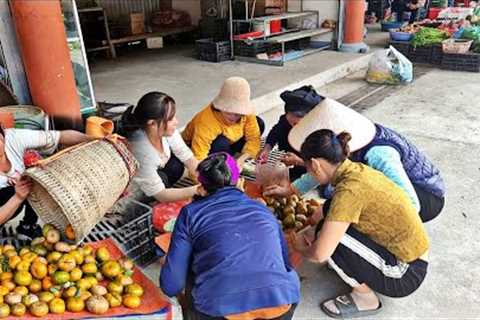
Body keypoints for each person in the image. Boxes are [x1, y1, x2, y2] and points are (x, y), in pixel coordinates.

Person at [294, 129, 429, 318]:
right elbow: (326, 211)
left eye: (308, 169)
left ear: (315, 165)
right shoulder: (356, 171)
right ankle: (354, 266)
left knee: (326, 239)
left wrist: (300, 248)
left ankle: (365, 298)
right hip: (411, 253)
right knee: (329, 219)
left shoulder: (349, 192)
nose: (311, 174)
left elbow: (319, 254)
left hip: (405, 274)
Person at [160, 152, 301, 320]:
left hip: (220, 310)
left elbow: (171, 285)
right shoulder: (262, 210)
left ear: (201, 187)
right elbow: (286, 264)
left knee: (191, 267)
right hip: (282, 304)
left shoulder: (191, 213)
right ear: (239, 181)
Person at [264, 98, 445, 223]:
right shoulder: (340, 145)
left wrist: (340, 215)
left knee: (342, 212)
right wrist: (290, 190)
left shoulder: (379, 153)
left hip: (425, 196)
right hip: (396, 190)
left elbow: (411, 205)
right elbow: (320, 168)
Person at [0, 127, 91, 239]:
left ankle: (27, 226)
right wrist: (18, 197)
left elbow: (60, 136)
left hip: (13, 194)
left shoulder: (13, 138)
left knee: (34, 176)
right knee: (13, 190)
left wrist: (94, 139)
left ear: (3, 136)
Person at [121, 91, 202, 203]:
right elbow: (161, 195)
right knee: (161, 181)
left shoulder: (165, 130)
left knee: (177, 165)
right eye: (171, 119)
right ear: (152, 123)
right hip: (135, 188)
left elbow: (187, 157)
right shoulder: (142, 150)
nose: (176, 122)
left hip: (156, 168)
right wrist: (198, 190)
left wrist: (206, 177)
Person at [182, 77, 265, 168]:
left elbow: (253, 138)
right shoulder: (206, 121)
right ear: (221, 107)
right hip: (201, 145)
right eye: (229, 113)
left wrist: (242, 159)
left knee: (259, 123)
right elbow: (199, 157)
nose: (233, 118)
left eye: (238, 114)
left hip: (232, 140)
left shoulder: (246, 113)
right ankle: (223, 161)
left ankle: (229, 156)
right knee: (221, 143)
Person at [257, 85, 323, 181]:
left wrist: (299, 161)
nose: (294, 125)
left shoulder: (321, 132)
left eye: (298, 122)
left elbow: (326, 165)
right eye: (291, 121)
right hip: (294, 162)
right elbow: (275, 132)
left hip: (315, 168)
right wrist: (267, 148)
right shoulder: (285, 121)